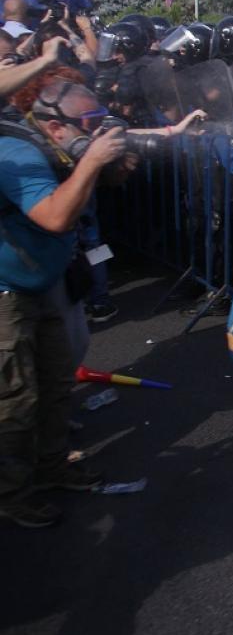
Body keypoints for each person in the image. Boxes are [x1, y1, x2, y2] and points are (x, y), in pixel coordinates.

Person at [0, 79, 128, 528]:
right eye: (89, 124)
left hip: (41, 283)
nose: (95, 132)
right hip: (8, 296)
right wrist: (92, 160)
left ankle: (51, 466)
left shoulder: (53, 149)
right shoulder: (18, 154)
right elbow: (55, 217)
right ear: (55, 126)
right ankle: (11, 495)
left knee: (55, 383)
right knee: (14, 400)